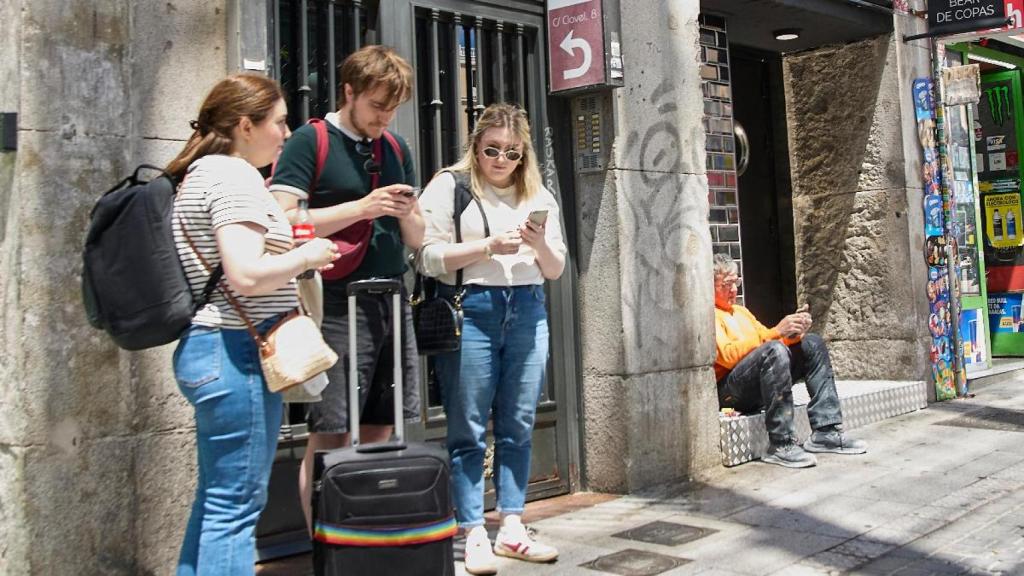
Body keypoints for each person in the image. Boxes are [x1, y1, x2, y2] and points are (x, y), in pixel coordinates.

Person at [168, 73, 340, 575]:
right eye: (280, 122)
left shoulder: (201, 173)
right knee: (235, 508)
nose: (286, 134)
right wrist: (305, 255)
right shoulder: (233, 177)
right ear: (246, 125)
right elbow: (244, 274)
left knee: (217, 501)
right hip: (236, 349)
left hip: (214, 349)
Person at [268, 45, 423, 533]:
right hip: (334, 301)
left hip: (390, 297)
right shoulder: (308, 142)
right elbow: (282, 219)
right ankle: (325, 542)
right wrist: (363, 207)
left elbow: (417, 238)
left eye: (393, 107)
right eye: (378, 105)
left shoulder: (397, 149)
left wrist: (411, 215)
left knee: (382, 427)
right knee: (330, 431)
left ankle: (369, 540)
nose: (386, 116)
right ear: (349, 91)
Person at [417, 103, 566, 575]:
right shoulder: (450, 186)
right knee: (468, 426)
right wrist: (487, 247)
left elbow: (556, 268)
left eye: (512, 153)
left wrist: (537, 242)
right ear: (475, 146)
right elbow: (427, 257)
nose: (501, 160)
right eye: (492, 150)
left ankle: (513, 526)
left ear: (524, 156)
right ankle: (472, 530)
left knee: (519, 422)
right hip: (473, 308)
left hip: (527, 307)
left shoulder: (537, 193)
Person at [712, 253, 866, 469]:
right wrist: (777, 333)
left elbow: (767, 339)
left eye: (736, 282)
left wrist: (793, 332)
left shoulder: (741, 312)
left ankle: (826, 430)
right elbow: (727, 356)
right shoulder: (710, 315)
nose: (733, 290)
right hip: (731, 393)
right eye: (726, 284)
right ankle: (781, 444)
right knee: (774, 350)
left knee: (812, 344)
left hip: (757, 381)